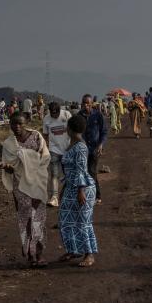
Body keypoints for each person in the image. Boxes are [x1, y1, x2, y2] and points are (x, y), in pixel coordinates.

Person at [0, 114, 51, 267]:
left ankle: (39, 253)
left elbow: (45, 158)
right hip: (20, 186)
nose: (17, 127)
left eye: (20, 124)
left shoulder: (36, 137)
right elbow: (9, 167)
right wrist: (8, 168)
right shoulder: (9, 144)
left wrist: (30, 163)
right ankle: (30, 255)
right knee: (25, 218)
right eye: (14, 124)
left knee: (38, 218)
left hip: (37, 182)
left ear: (26, 123)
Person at [59, 114, 98, 267]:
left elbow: (81, 169)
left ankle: (89, 254)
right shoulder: (72, 144)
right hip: (71, 187)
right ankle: (73, 249)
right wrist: (65, 188)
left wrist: (80, 190)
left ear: (69, 128)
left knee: (83, 221)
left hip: (82, 188)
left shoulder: (81, 147)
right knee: (65, 220)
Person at [80, 94, 108, 203]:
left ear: (92, 104)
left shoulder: (97, 115)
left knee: (91, 171)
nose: (86, 105)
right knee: (85, 171)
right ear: (82, 104)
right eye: (84, 103)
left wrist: (101, 144)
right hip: (83, 149)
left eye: (88, 103)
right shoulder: (79, 116)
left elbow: (104, 131)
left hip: (95, 149)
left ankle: (96, 196)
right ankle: (94, 194)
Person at [42, 102, 71, 207]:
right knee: (54, 175)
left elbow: (72, 130)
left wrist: (72, 146)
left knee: (68, 174)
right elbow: (45, 135)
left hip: (67, 149)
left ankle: (68, 196)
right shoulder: (46, 119)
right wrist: (44, 148)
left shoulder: (66, 115)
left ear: (60, 110)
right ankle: (54, 198)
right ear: (49, 111)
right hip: (53, 150)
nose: (55, 115)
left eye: (56, 113)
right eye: (52, 113)